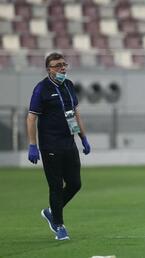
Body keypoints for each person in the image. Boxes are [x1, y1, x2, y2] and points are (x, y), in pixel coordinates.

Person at [27, 52, 91, 241]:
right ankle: (59, 225)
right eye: (57, 65)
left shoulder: (69, 85)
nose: (62, 68)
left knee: (75, 184)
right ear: (49, 69)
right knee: (55, 187)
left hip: (68, 142)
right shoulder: (41, 89)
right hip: (50, 145)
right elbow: (31, 117)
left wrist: (83, 137)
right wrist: (33, 145)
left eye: (64, 64)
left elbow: (75, 113)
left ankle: (51, 212)